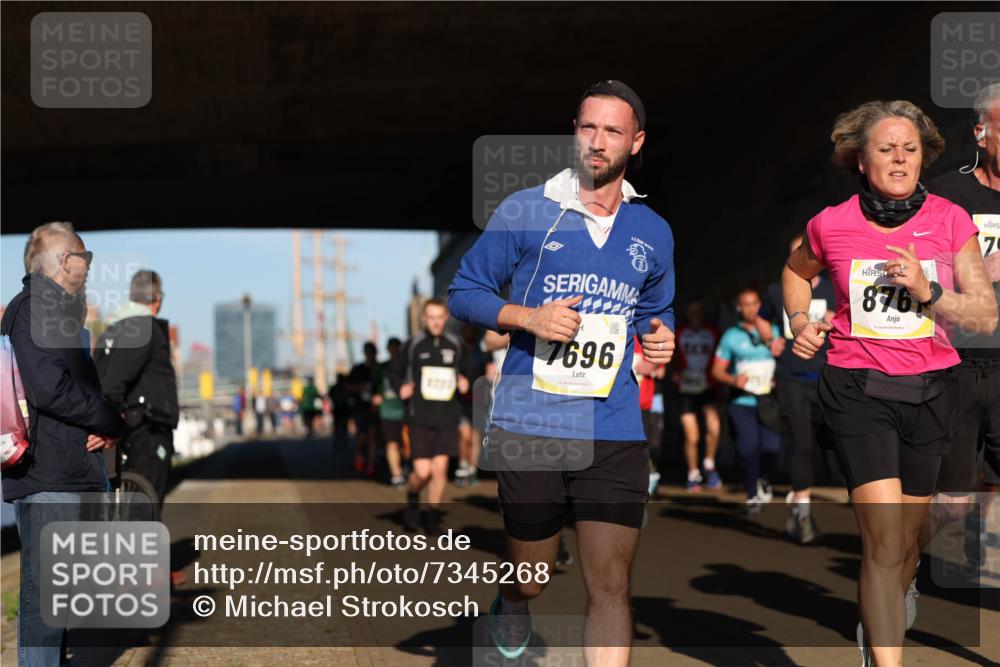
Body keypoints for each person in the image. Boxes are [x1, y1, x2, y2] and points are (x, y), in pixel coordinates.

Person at [449, 80, 675, 665]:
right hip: (532, 423)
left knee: (610, 583)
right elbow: (464, 290)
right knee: (535, 571)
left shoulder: (653, 232)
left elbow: (656, 310)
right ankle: (514, 597)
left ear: (637, 142)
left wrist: (660, 340)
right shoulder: (527, 210)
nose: (597, 142)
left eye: (612, 131)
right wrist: (528, 316)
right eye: (587, 127)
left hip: (615, 423)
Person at [783, 100, 997, 666]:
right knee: (882, 539)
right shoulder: (832, 223)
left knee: (910, 536)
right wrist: (802, 322)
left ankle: (897, 590)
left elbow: (985, 315)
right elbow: (794, 271)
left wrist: (929, 292)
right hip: (858, 386)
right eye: (886, 148)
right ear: (861, 160)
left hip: (932, 388)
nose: (900, 159)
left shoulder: (951, 220)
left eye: (910, 149)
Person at [2, 222, 125, 667]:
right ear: (60, 263)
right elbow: (50, 390)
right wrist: (111, 418)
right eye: (83, 256)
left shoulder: (55, 312)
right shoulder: (33, 309)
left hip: (66, 471)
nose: (89, 265)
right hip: (47, 474)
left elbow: (70, 391)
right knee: (44, 601)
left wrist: (108, 426)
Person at [921, 82, 1000, 573]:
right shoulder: (948, 196)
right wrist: (972, 272)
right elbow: (914, 271)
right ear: (981, 133)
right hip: (957, 363)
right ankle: (898, 564)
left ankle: (982, 538)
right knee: (949, 498)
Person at [95, 269, 185, 586]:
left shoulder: (114, 328)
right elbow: (114, 382)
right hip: (145, 427)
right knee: (147, 500)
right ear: (157, 300)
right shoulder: (142, 327)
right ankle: (149, 577)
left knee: (135, 503)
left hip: (129, 427)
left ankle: (151, 570)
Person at [762, 234, 836, 543]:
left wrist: (839, 320)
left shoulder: (835, 290)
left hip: (826, 375)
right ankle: (802, 510)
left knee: (822, 444)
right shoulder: (775, 291)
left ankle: (799, 497)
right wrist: (771, 340)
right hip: (791, 375)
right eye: (797, 253)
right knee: (802, 442)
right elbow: (763, 320)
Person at [389, 298, 474, 534]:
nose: (436, 322)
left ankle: (433, 516)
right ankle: (413, 495)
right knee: (423, 472)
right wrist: (401, 389)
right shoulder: (413, 345)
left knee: (440, 469)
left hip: (447, 416)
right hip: (419, 417)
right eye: (431, 318)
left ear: (445, 318)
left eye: (440, 317)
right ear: (424, 318)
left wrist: (466, 381)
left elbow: (469, 369)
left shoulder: (455, 344)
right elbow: (394, 371)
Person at [711, 288, 784, 513]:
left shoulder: (774, 330)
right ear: (739, 308)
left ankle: (762, 477)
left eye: (755, 303)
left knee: (772, 447)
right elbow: (716, 371)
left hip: (768, 401)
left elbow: (787, 362)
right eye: (746, 304)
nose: (751, 308)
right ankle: (752, 494)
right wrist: (734, 380)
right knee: (748, 450)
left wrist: (778, 376)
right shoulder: (731, 336)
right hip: (743, 403)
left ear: (760, 305)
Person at [673, 300, 722, 492]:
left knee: (714, 428)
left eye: (699, 312)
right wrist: (675, 372)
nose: (696, 316)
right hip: (686, 389)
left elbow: (721, 356)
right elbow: (672, 357)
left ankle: (709, 464)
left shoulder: (713, 332)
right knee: (692, 435)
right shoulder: (679, 332)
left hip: (708, 387)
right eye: (692, 312)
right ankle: (693, 473)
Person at [633, 335, 665, 495]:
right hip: (623, 402)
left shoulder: (649, 338)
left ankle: (650, 477)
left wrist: (652, 366)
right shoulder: (620, 337)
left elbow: (662, 371)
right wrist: (633, 367)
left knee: (651, 441)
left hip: (648, 400)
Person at [373, 337, 407, 487]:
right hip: (388, 410)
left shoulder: (408, 366)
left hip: (406, 409)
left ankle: (404, 465)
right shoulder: (381, 368)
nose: (394, 351)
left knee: (405, 445)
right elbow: (373, 385)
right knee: (391, 443)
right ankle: (396, 475)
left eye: (397, 348)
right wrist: (376, 396)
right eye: (392, 348)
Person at [456, 324, 487, 487]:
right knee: (464, 435)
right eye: (467, 329)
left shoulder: (482, 352)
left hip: (479, 400)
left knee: (475, 438)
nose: (470, 332)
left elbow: (489, 371)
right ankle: (462, 466)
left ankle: (472, 470)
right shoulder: (457, 350)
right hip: (461, 400)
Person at [348, 342, 379, 477]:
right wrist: (359, 389)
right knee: (362, 434)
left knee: (372, 435)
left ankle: (371, 464)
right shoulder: (358, 369)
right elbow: (347, 386)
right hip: (361, 407)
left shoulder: (379, 368)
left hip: (375, 407)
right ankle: (359, 454)